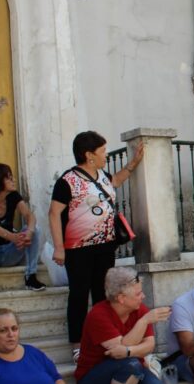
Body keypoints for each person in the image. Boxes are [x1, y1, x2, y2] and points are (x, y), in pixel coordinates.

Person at [49, 131, 144, 362]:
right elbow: (54, 213)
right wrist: (59, 247)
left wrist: (133, 164)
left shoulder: (102, 175)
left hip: (105, 246)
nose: (106, 154)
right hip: (78, 248)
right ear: (89, 155)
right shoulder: (67, 181)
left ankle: (106, 339)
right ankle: (77, 345)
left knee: (103, 295)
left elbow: (115, 181)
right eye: (102, 151)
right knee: (79, 295)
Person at [0, 163, 46, 294]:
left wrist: (29, 232)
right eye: (9, 178)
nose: (13, 180)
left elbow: (29, 215)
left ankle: (31, 277)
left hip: (9, 252)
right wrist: (11, 236)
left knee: (36, 229)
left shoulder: (13, 196)